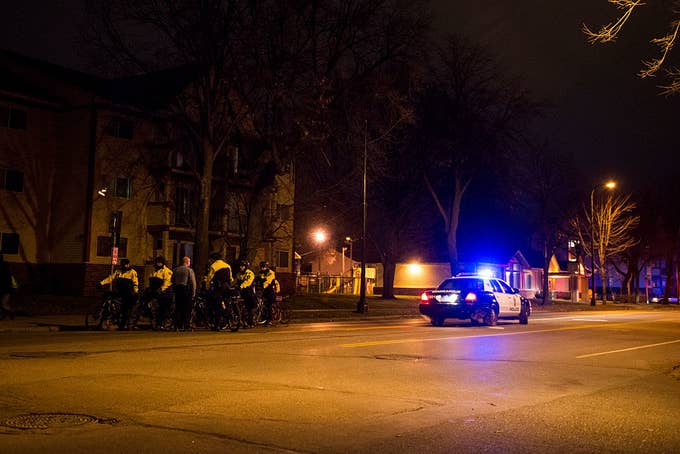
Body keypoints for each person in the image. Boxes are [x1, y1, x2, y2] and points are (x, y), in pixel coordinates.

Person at [100, 258, 139, 330]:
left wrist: (135, 292)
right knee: (109, 297)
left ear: (128, 264)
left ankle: (122, 325)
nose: (125, 266)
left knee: (125, 309)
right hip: (119, 291)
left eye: (126, 264)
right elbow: (111, 278)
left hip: (128, 293)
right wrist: (101, 283)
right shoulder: (118, 272)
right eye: (123, 265)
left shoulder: (132, 272)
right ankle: (110, 315)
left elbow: (135, 283)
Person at [138, 256, 173, 329]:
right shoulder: (155, 271)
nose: (158, 264)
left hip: (163, 293)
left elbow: (167, 282)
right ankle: (154, 322)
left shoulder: (167, 271)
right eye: (157, 262)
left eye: (159, 262)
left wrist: (161, 289)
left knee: (162, 309)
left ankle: (161, 323)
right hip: (154, 292)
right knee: (151, 307)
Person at [204, 252, 232, 330]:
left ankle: (216, 324)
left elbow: (209, 278)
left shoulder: (214, 266)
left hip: (218, 287)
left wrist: (207, 287)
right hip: (226, 287)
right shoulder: (227, 265)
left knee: (216, 305)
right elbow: (231, 277)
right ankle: (227, 319)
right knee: (226, 302)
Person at [172, 256, 196, 331]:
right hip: (186, 290)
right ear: (187, 262)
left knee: (178, 307)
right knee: (187, 308)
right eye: (189, 261)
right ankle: (186, 325)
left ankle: (177, 325)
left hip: (177, 290)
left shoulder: (176, 270)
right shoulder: (189, 270)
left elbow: (172, 280)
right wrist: (193, 292)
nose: (190, 263)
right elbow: (192, 282)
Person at [234, 259, 256, 327]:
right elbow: (235, 281)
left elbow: (248, 282)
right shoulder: (239, 274)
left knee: (249, 308)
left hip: (248, 292)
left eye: (242, 266)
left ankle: (250, 322)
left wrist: (241, 286)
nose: (241, 267)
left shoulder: (249, 273)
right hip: (241, 292)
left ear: (245, 266)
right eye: (240, 266)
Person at [0, 252, 17, 320]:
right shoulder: (5, 267)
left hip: (6, 289)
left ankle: (11, 312)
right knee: (3, 304)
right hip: (6, 289)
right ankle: (4, 314)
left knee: (3, 304)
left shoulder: (4, 268)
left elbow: (6, 281)